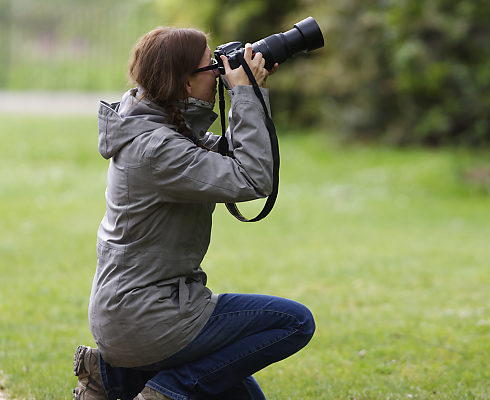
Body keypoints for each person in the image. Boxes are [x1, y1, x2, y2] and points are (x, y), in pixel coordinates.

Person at [72, 27, 315, 400]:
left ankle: (109, 378)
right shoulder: (157, 148)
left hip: (139, 313)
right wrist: (245, 93)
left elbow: (239, 157)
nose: (220, 72)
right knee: (294, 322)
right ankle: (167, 391)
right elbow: (252, 177)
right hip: (150, 317)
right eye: (211, 67)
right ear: (186, 83)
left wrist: (248, 92)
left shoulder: (160, 127)